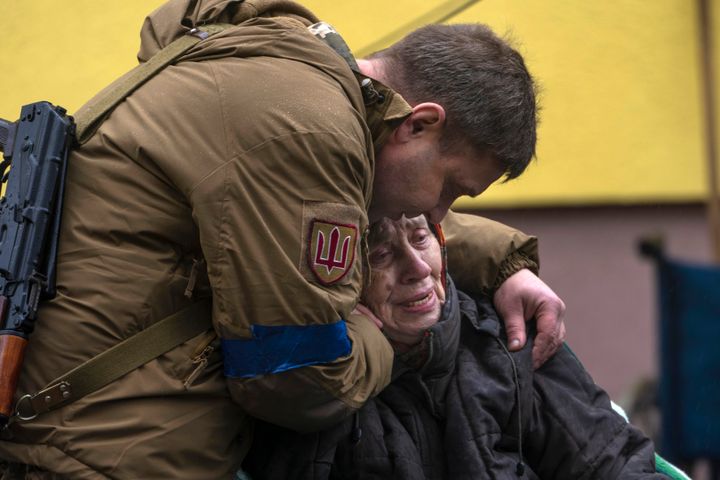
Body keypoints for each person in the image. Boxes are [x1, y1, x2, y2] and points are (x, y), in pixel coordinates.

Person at [0, 1, 564, 478]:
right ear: (418, 124)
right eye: (450, 188)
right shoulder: (308, 127)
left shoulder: (282, 73)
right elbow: (297, 380)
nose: (436, 213)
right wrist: (385, 339)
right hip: (98, 454)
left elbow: (333, 209)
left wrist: (500, 261)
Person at [244, 214, 668, 480]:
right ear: (336, 281)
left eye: (421, 238)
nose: (417, 268)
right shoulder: (313, 387)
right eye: (381, 253)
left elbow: (610, 460)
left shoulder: (500, 340)